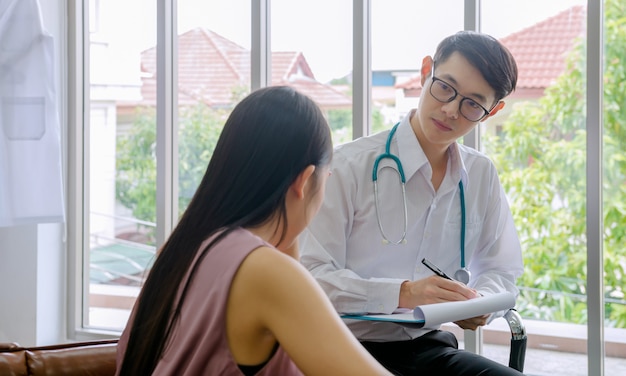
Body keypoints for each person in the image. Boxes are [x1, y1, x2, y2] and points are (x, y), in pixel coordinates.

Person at [115, 86, 391, 376]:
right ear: (305, 180)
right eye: (327, 178)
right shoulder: (266, 272)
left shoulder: (184, 248)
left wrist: (287, 236)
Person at [300, 31, 525, 375]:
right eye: (445, 88)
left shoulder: (480, 175)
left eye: (472, 104)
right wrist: (403, 294)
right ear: (425, 72)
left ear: (492, 111)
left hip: (426, 349)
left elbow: (502, 271)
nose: (450, 110)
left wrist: (481, 303)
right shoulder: (348, 167)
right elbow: (311, 278)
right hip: (339, 348)